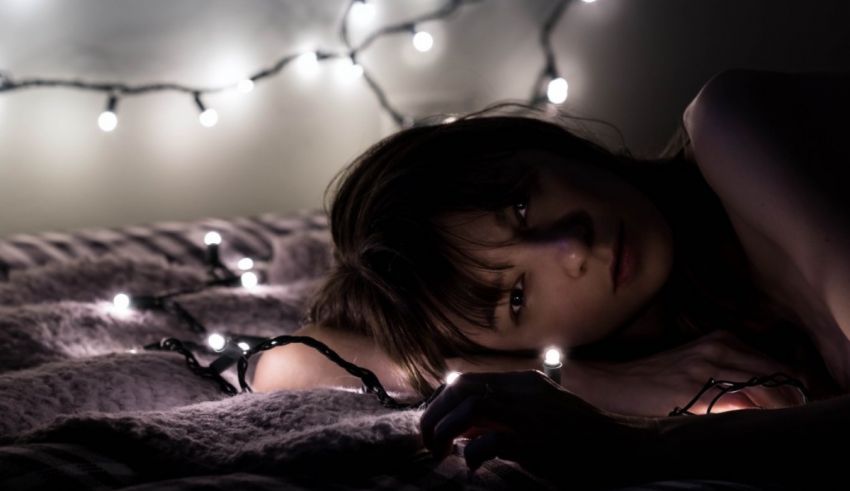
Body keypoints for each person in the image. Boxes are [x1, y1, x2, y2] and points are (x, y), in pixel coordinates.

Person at [252, 69, 850, 487]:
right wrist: (578, 377)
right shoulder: (671, 331)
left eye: (519, 206)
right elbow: (292, 365)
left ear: (533, 145)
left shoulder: (734, 127)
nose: (570, 246)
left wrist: (627, 445)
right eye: (517, 297)